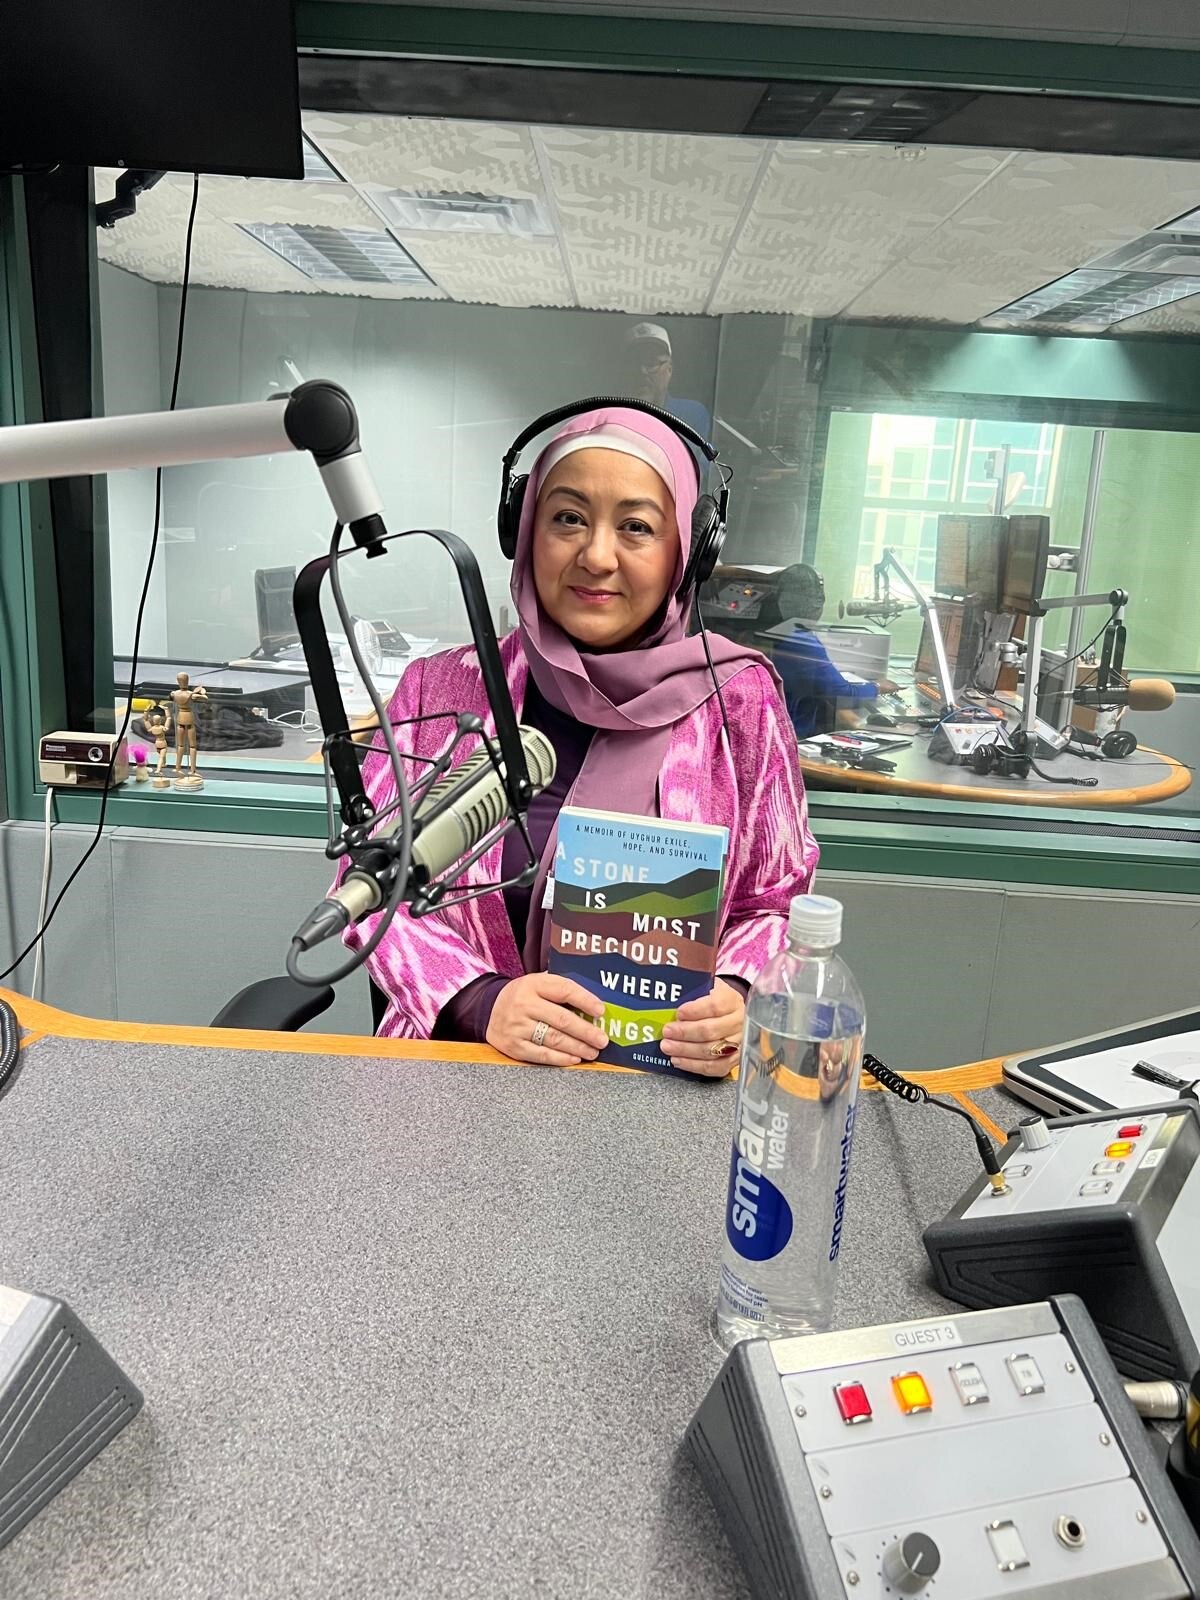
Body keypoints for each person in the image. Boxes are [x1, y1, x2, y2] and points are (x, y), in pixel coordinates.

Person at [338, 405, 818, 1076]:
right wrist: (478, 1001)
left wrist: (737, 997)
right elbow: (367, 888)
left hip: (662, 1092)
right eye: (568, 517)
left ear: (687, 549)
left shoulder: (739, 701)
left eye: (636, 527)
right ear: (524, 529)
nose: (596, 555)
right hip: (454, 1081)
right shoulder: (439, 691)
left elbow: (776, 902)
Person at [766, 565, 897, 739]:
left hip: (773, 728)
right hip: (791, 737)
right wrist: (877, 687)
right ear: (814, 603)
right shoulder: (801, 641)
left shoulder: (774, 630)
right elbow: (841, 692)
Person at [621, 322, 712, 443]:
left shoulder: (691, 414)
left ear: (669, 369)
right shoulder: (608, 416)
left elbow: (694, 460)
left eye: (651, 363)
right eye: (633, 364)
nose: (642, 371)